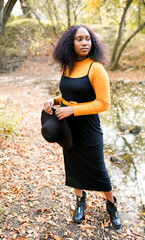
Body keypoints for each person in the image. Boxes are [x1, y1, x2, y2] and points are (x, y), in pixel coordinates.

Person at [43, 25, 122, 229]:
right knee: (74, 166)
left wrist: (72, 111)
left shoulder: (96, 68)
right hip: (68, 127)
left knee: (99, 168)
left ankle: (111, 205)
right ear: (71, 43)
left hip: (88, 127)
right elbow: (67, 97)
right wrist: (53, 100)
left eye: (87, 39)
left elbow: (103, 104)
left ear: (92, 42)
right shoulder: (66, 67)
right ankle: (80, 201)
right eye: (79, 39)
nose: (84, 42)